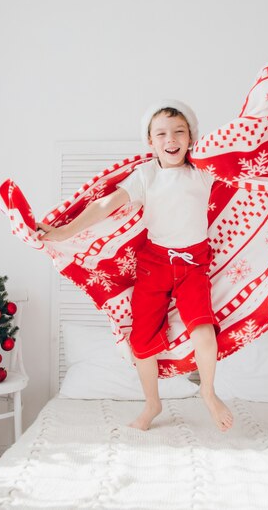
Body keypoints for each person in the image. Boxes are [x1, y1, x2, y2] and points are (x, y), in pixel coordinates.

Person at [37, 100, 233, 433]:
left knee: (203, 327)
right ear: (150, 142)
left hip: (193, 264)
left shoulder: (202, 171)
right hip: (154, 263)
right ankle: (152, 403)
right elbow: (105, 205)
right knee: (141, 340)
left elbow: (242, 159)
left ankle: (208, 392)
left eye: (179, 132)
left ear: (191, 137)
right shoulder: (146, 175)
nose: (170, 139)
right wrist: (64, 231)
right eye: (161, 134)